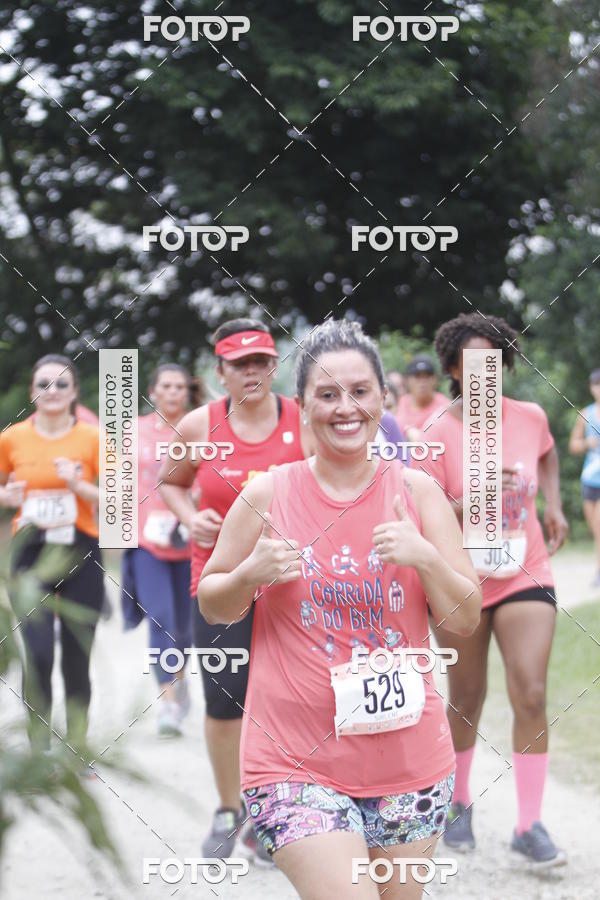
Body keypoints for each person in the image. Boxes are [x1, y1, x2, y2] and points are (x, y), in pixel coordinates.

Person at [197, 319, 481, 899]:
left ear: (384, 397)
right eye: (327, 394)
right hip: (295, 764)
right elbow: (212, 605)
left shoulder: (419, 494)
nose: (345, 407)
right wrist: (251, 573)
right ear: (302, 405)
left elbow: (466, 617)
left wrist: (425, 557)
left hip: (411, 762)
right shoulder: (268, 493)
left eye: (359, 391)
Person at [159, 318, 313, 861]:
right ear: (220, 371)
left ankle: (280, 812)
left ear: (274, 366)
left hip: (293, 581)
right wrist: (190, 517)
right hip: (220, 581)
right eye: (239, 363)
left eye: (261, 361)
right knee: (226, 702)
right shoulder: (200, 425)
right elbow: (171, 483)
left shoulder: (302, 418)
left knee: (294, 700)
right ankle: (229, 808)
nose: (252, 372)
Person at [422, 312, 568, 868]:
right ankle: (458, 802)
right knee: (467, 695)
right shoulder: (438, 432)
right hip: (461, 578)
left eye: (493, 360)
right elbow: (420, 508)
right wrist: (473, 496)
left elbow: (549, 453)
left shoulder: (529, 417)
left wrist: (552, 504)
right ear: (454, 368)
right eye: (471, 361)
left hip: (526, 569)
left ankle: (529, 824)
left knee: (530, 691)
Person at [0, 355, 103, 758]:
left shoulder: (93, 439)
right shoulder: (11, 439)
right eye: (44, 384)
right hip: (29, 555)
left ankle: (77, 747)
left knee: (77, 656)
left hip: (80, 550)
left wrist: (80, 484)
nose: (52, 392)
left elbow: (119, 498)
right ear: (33, 392)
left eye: (62, 384)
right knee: (39, 654)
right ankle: (38, 750)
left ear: (74, 392)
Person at [122, 364, 193, 737]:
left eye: (180, 386)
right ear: (153, 390)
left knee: (184, 627)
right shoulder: (133, 430)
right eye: (166, 385)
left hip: (191, 541)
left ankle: (179, 685)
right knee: (160, 617)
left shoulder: (200, 428)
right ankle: (166, 702)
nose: (173, 392)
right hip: (147, 541)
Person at [568, 368, 600, 586]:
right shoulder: (585, 415)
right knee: (595, 530)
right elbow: (573, 445)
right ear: (591, 388)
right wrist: (587, 444)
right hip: (590, 478)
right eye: (597, 385)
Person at [396, 355, 448, 441]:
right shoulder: (399, 403)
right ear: (407, 380)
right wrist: (407, 431)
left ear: (435, 379)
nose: (422, 382)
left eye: (427, 376)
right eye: (417, 376)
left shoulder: (445, 407)